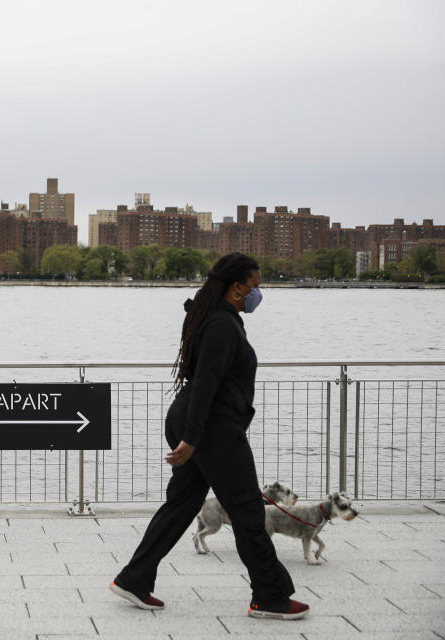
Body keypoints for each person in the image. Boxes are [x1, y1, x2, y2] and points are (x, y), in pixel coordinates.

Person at [109, 252, 309, 620]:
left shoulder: (216, 317)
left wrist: (190, 435)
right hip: (211, 430)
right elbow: (205, 384)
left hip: (198, 424)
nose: (257, 294)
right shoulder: (220, 324)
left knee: (182, 504)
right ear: (237, 287)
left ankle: (133, 579)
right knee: (248, 510)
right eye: (255, 287)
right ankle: (270, 596)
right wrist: (192, 438)